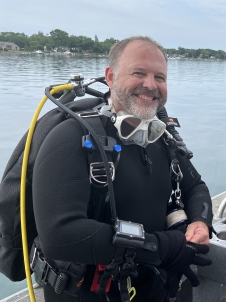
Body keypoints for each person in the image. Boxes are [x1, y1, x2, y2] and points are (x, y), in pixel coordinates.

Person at [32, 36, 213, 301]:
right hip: (87, 293)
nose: (150, 85)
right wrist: (161, 247)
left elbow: (195, 186)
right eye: (138, 73)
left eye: (159, 77)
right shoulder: (72, 137)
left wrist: (200, 222)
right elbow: (59, 236)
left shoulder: (162, 137)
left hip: (151, 284)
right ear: (110, 76)